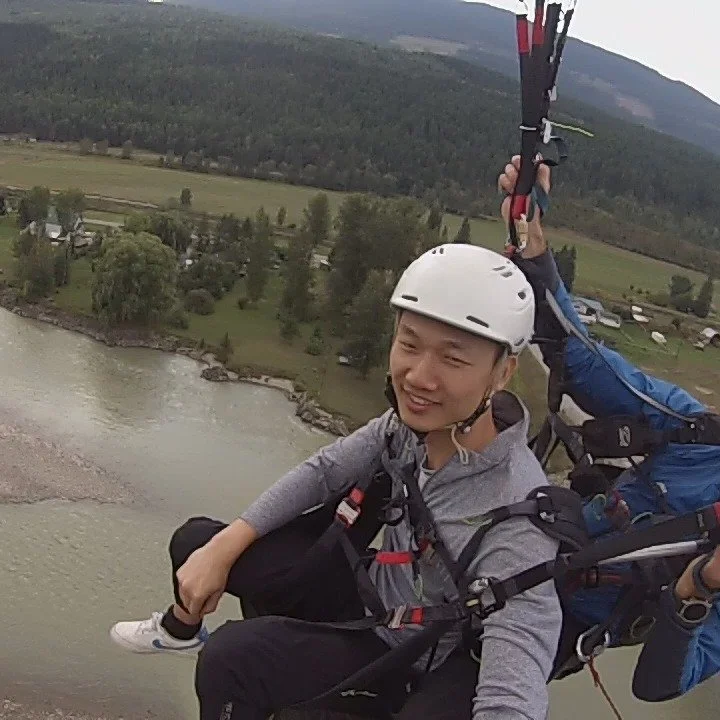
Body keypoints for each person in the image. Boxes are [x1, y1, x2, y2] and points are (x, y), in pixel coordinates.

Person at [110, 242, 563, 719]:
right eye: (409, 345)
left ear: (502, 372)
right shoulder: (407, 429)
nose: (418, 377)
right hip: (365, 594)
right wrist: (225, 547)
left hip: (399, 654)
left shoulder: (516, 518)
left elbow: (516, 675)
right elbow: (324, 472)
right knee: (199, 543)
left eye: (453, 359)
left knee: (233, 659)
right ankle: (182, 629)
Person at [499, 156, 720, 702]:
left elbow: (658, 685)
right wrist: (533, 247)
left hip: (555, 629)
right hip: (508, 549)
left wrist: (697, 589)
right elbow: (584, 363)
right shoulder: (700, 436)